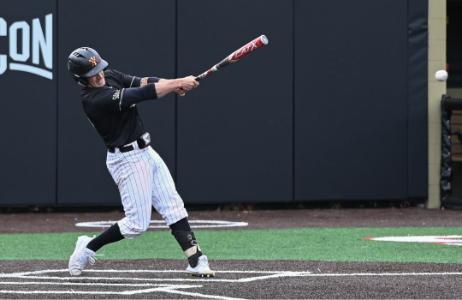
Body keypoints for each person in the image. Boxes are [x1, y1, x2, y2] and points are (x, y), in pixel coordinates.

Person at [66, 47, 214, 277]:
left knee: (173, 205)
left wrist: (176, 84)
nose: (100, 75)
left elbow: (142, 81)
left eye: (99, 69)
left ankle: (196, 260)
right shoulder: (94, 100)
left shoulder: (108, 75)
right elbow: (144, 93)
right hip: (126, 160)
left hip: (146, 151)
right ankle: (87, 247)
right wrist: (176, 84)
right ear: (81, 80)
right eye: (92, 74)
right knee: (136, 224)